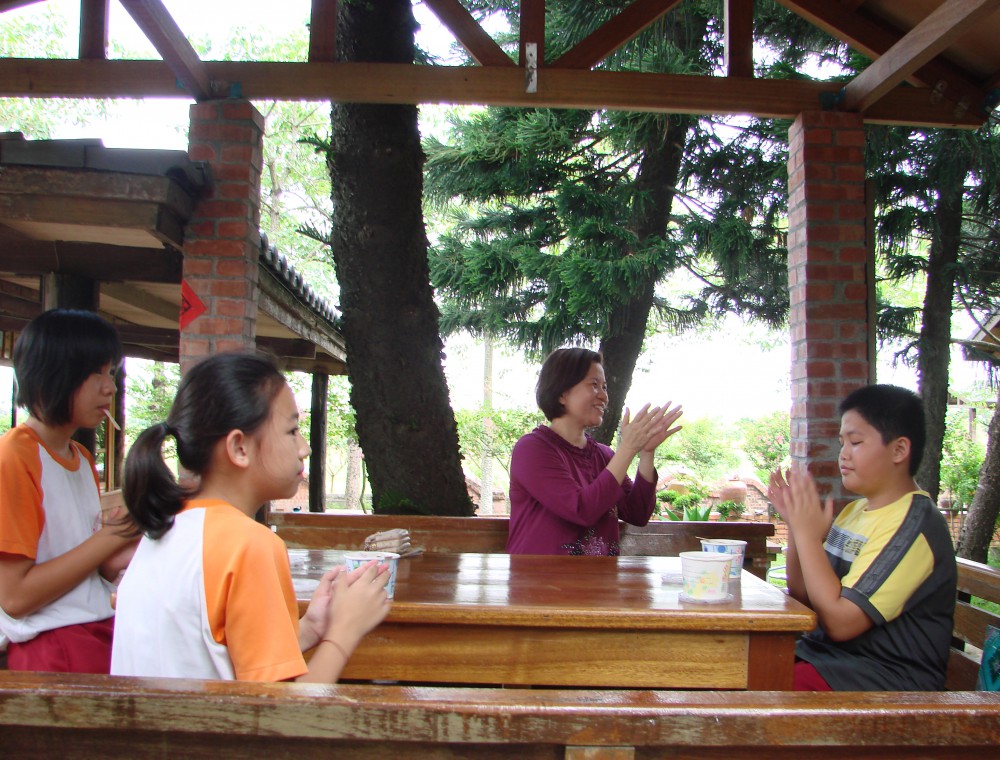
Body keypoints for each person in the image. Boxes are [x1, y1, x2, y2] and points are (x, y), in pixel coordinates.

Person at [110, 352, 390, 682]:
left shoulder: (165, 529)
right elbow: (282, 711)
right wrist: (344, 631)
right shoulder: (248, 545)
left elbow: (212, 657)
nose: (305, 448)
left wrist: (312, 628)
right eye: (292, 430)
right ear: (239, 448)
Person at [768, 384, 957, 691]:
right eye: (841, 442)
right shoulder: (854, 512)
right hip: (831, 663)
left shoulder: (912, 525)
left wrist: (807, 536)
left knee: (756, 687)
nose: (843, 454)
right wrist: (797, 528)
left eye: (855, 442)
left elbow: (840, 623)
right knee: (733, 669)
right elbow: (803, 596)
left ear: (899, 450)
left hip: (886, 680)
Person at [0, 309, 138, 673]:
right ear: (52, 375)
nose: (109, 387)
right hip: (53, 648)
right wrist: (110, 538)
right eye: (96, 374)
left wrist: (133, 535)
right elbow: (15, 598)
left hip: (95, 633)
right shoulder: (14, 457)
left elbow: (86, 570)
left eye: (111, 373)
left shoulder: (80, 457)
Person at [507, 347, 683, 556]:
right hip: (539, 575)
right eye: (594, 385)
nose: (604, 396)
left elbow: (637, 513)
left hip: (601, 575)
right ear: (562, 393)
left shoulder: (604, 455)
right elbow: (581, 510)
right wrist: (628, 448)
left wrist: (646, 452)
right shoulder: (532, 449)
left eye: (604, 387)